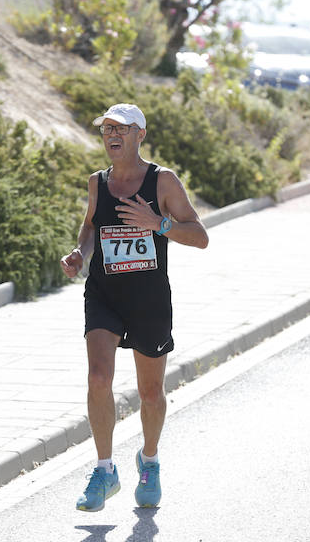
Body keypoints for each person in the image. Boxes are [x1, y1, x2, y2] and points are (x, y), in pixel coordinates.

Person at [60, 103, 209, 511]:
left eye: (121, 129)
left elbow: (200, 236)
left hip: (149, 299)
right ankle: (105, 470)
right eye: (107, 128)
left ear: (140, 134)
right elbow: (91, 225)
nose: (112, 134)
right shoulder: (98, 182)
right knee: (98, 377)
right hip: (105, 294)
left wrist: (157, 223)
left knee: (150, 393)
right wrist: (80, 253)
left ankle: (150, 461)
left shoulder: (163, 181)